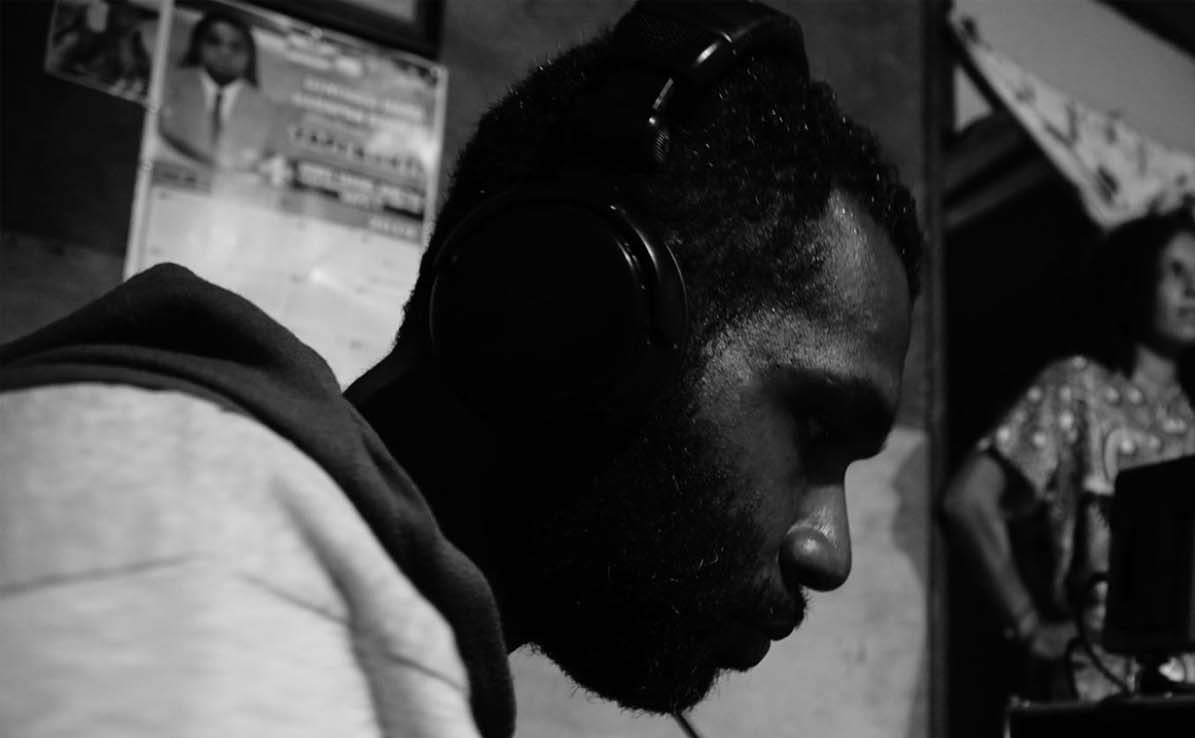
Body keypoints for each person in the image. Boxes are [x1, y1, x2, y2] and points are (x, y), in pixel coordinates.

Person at [0, 2, 921, 736]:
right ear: (576, 316)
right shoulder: (203, 579)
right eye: (816, 428)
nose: (829, 552)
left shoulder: (324, 594)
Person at [942, 210, 1195, 702]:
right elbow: (968, 499)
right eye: (1175, 271)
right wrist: (1029, 626)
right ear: (1136, 279)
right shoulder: (1077, 386)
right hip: (1106, 692)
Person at [156, 7, 279, 171]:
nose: (224, 52)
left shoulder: (268, 110)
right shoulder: (167, 84)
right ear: (198, 44)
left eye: (235, 46)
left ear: (250, 55)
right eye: (214, 41)